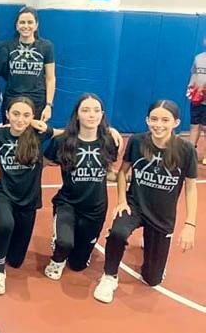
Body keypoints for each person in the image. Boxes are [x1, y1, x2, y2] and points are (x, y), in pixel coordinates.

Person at [94, 100, 197, 304]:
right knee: (117, 232)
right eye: (154, 119)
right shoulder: (137, 141)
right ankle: (109, 276)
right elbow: (122, 172)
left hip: (162, 214)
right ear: (147, 120)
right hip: (135, 205)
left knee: (152, 279)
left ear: (176, 123)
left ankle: (150, 239)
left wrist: (190, 224)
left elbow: (191, 187)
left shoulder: (186, 150)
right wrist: (122, 200)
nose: (158, 125)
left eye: (165, 120)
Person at [43, 94, 118, 281]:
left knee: (78, 265)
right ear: (77, 115)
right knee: (64, 244)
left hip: (95, 209)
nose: (91, 115)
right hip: (68, 204)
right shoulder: (61, 142)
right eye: (85, 110)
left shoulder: (109, 141)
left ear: (102, 114)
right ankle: (57, 258)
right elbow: (40, 165)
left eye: (96, 110)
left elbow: (108, 172)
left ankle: (78, 250)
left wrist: (128, 179)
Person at [0, 96, 55, 294]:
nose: (20, 119)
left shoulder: (39, 134)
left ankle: (2, 226)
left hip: (28, 200)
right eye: (15, 114)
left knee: (16, 261)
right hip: (3, 193)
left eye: (26, 115)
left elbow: (70, 133)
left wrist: (108, 130)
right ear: (7, 114)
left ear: (33, 117)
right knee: (6, 224)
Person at [4, 6, 55, 121]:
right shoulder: (7, 46)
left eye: (30, 22)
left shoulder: (46, 46)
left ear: (36, 25)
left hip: (37, 101)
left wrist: (48, 105)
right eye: (22, 22)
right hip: (12, 100)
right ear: (17, 26)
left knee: (34, 133)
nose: (26, 26)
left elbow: (50, 78)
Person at [187, 44, 206, 164]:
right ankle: (190, 152)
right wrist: (191, 86)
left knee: (205, 127)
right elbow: (194, 74)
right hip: (197, 98)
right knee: (194, 125)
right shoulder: (198, 58)